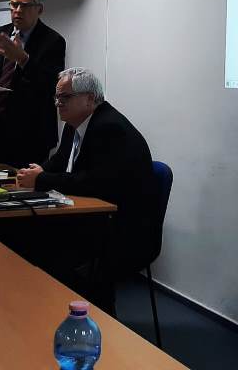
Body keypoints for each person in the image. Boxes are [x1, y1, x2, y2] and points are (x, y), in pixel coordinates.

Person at [16, 68, 158, 308]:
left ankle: (72, 309)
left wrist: (41, 180)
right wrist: (33, 172)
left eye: (65, 97)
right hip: (94, 216)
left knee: (40, 238)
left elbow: (93, 183)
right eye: (57, 97)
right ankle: (48, 303)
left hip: (123, 227)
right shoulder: (74, 123)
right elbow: (59, 162)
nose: (58, 103)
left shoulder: (110, 128)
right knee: (25, 228)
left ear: (90, 99)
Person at [0, 0, 65, 168]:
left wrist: (23, 59)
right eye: (14, 4)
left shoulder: (53, 41)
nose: (17, 10)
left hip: (32, 136)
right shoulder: (1, 33)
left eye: (24, 5)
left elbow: (50, 86)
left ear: (39, 9)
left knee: (26, 185)